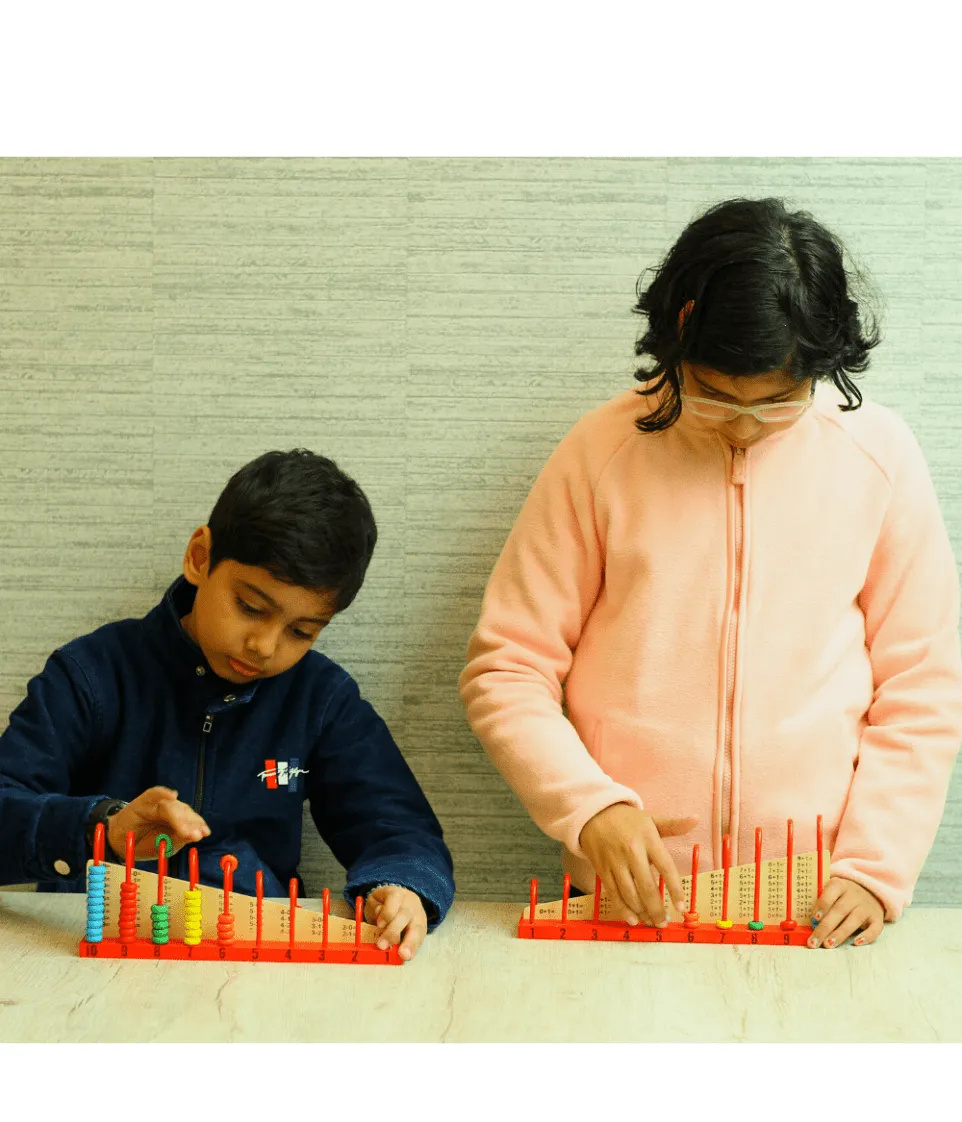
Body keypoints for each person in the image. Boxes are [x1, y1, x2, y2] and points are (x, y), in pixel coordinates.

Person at [460, 196, 962, 951]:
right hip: (627, 901)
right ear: (676, 342)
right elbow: (507, 667)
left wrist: (876, 866)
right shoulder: (602, 453)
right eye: (716, 396)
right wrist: (591, 807)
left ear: (822, 368)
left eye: (778, 402)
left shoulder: (879, 458)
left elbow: (924, 683)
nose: (742, 425)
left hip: (816, 905)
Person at [0, 449, 454, 961]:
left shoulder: (321, 699)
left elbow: (399, 826)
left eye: (301, 631)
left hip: (256, 965)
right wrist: (100, 828)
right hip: (92, 956)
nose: (264, 645)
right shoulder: (92, 674)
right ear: (199, 557)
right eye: (251, 607)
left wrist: (402, 887)